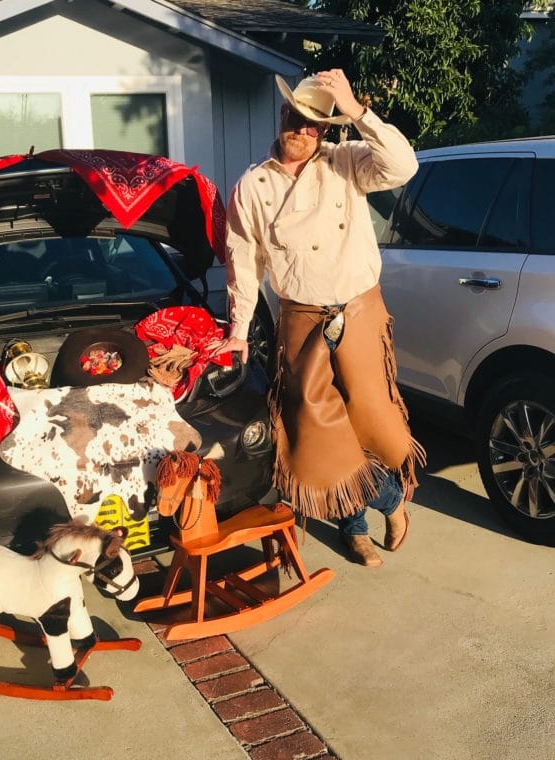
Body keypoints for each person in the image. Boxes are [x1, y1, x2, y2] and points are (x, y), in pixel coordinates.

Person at [210, 69, 425, 567]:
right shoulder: (253, 185)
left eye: (316, 125)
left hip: (359, 310)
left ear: (326, 130)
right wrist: (237, 333)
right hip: (301, 319)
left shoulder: (347, 162)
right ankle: (375, 512)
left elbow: (403, 166)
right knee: (321, 432)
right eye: (298, 118)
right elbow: (243, 264)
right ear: (283, 114)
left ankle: (364, 517)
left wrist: (355, 108)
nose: (305, 131)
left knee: (369, 415)